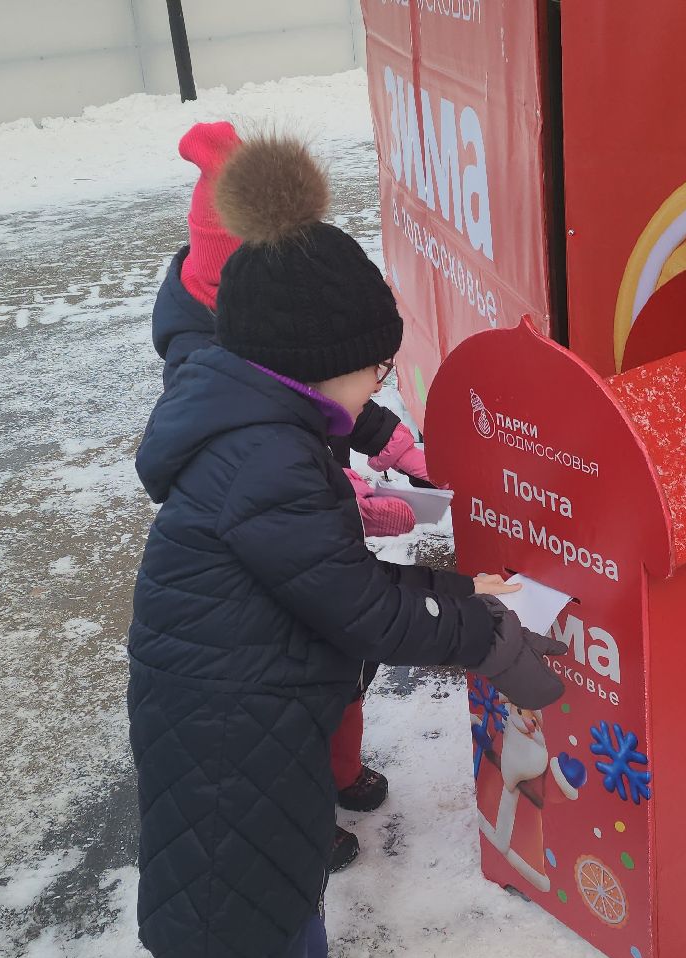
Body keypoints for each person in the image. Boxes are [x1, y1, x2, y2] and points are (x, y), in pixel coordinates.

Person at [128, 131, 566, 958]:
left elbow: (328, 578)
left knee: (280, 877)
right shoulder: (271, 463)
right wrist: (480, 627)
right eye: (373, 369)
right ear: (312, 366)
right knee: (245, 938)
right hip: (227, 736)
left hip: (255, 709)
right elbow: (361, 606)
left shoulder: (259, 417)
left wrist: (454, 585)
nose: (381, 386)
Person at [148, 121, 431, 873]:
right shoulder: (206, 354)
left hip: (305, 515)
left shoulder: (281, 341)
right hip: (278, 549)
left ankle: (340, 770)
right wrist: (346, 497)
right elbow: (252, 471)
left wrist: (392, 444)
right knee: (303, 683)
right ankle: (311, 801)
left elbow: (332, 390)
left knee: (339, 666)